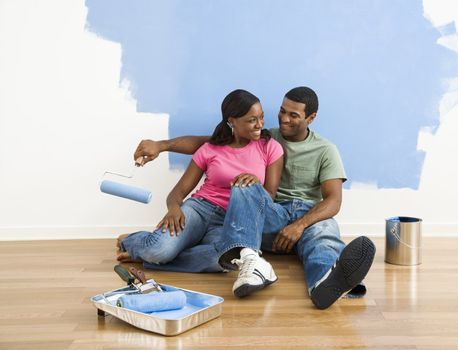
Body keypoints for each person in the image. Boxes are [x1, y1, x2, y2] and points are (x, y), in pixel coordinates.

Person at [134, 87, 375, 310]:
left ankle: (324, 282)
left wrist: (299, 225)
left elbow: (333, 201)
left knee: (323, 235)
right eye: (282, 111)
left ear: (310, 119)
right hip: (262, 214)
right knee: (241, 192)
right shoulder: (263, 136)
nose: (283, 119)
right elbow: (207, 143)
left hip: (304, 214)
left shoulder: (321, 149)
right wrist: (161, 145)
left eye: (294, 115)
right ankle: (250, 261)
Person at [117, 89, 284, 283]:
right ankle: (135, 242)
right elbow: (178, 192)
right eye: (252, 120)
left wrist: (255, 185)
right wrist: (174, 209)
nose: (260, 124)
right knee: (158, 250)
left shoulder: (269, 147)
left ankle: (154, 258)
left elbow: (269, 196)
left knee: (225, 260)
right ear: (232, 121)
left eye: (261, 117)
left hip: (232, 220)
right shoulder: (210, 148)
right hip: (200, 209)